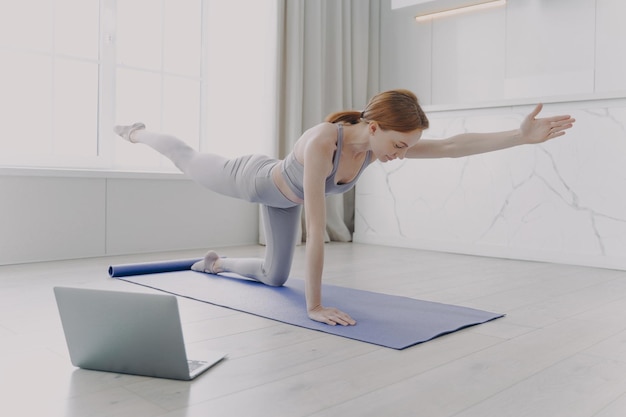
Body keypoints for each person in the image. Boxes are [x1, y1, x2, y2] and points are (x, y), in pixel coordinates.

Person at [114, 89, 575, 326]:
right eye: (398, 144)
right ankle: (137, 132)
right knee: (188, 159)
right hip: (254, 180)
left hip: (283, 202)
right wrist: (314, 305)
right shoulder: (322, 143)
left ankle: (214, 264)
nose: (400, 155)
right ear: (373, 127)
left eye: (406, 147)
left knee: (274, 278)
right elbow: (316, 231)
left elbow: (453, 146)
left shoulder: (376, 147)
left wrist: (519, 136)